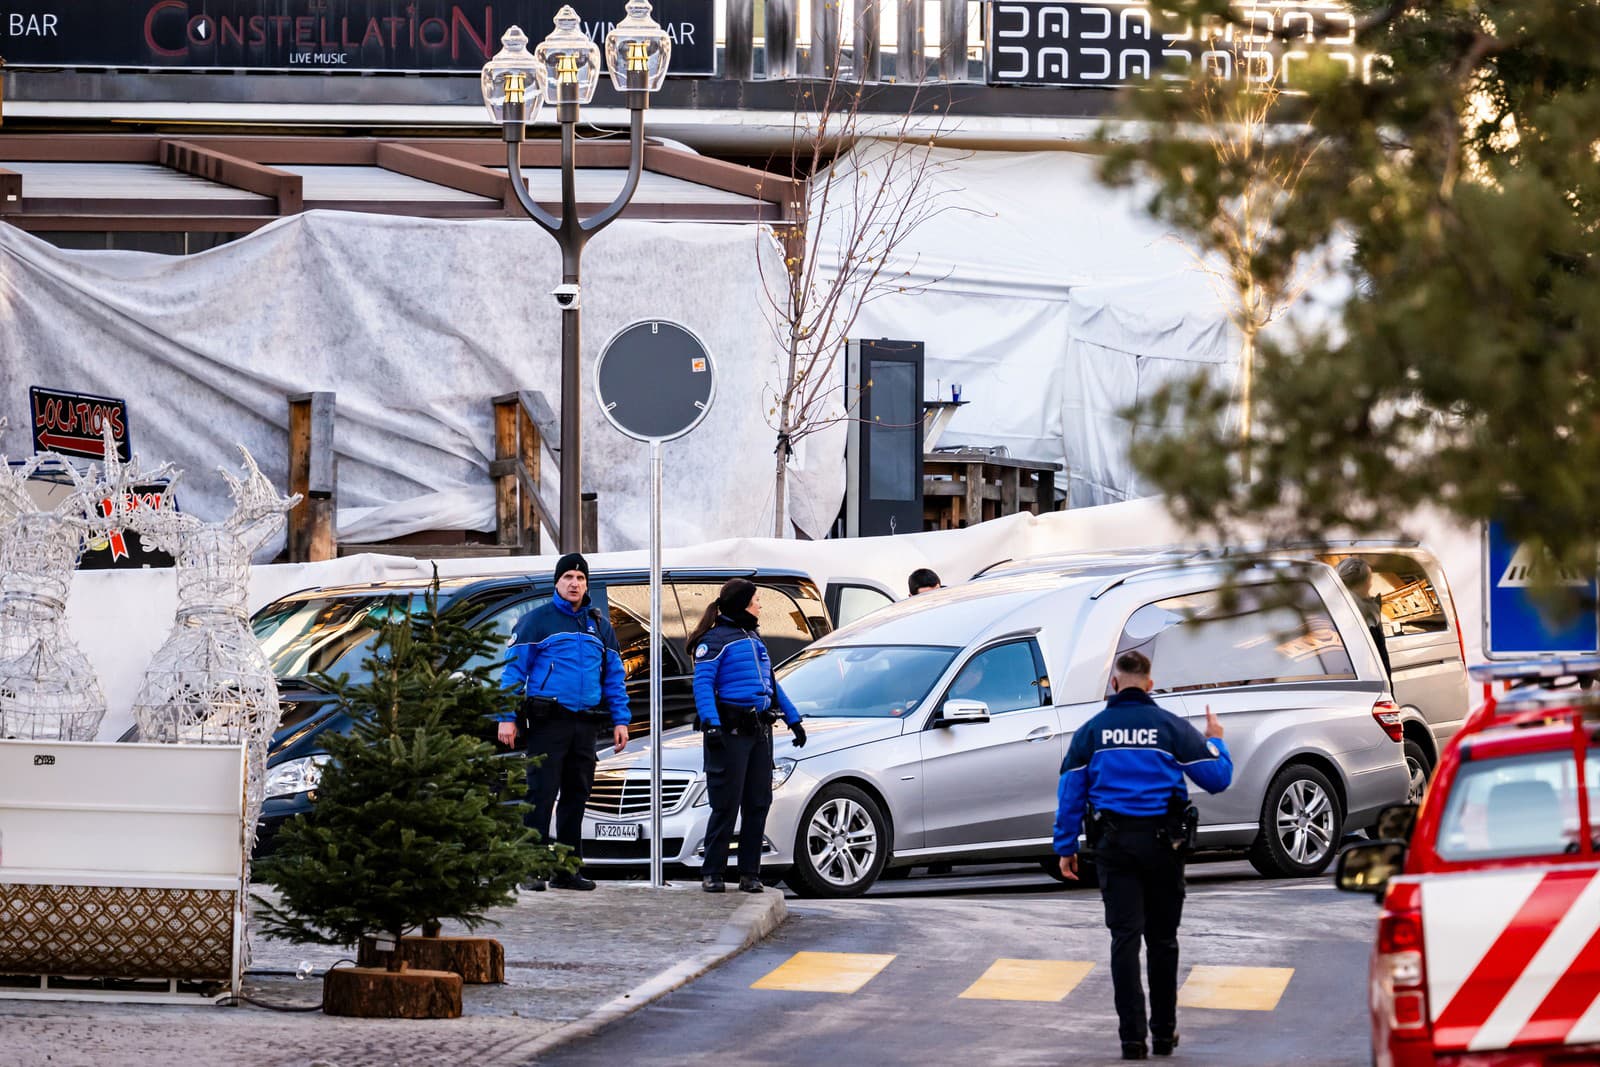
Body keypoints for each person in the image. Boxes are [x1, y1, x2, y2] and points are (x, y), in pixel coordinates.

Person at [1054, 650, 1233, 1061]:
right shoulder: (1171, 728)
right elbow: (1218, 779)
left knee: (1124, 941)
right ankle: (1165, 1035)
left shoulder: (1092, 732)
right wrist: (1217, 738)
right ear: (1150, 685)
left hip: (1114, 849)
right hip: (1163, 848)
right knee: (1163, 941)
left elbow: (1069, 794)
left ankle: (1131, 1040)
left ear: (1114, 684)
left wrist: (1065, 847)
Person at [497, 552, 630, 892]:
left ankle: (567, 870)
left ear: (587, 584)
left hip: (585, 723)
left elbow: (614, 675)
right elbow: (513, 672)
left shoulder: (599, 625)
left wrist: (621, 720)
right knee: (540, 794)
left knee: (577, 795)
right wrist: (506, 718)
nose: (575, 583)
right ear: (557, 582)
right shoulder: (537, 620)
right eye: (568, 577)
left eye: (581, 578)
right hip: (549, 721)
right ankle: (531, 867)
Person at [688, 578, 807, 893]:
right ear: (742, 603)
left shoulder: (753, 637)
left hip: (759, 732)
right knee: (725, 804)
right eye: (756, 600)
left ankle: (749, 874)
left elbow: (772, 683)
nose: (760, 605)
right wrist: (711, 724)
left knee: (757, 803)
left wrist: (794, 720)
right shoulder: (715, 641)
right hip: (729, 732)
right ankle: (712, 872)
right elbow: (702, 684)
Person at [1337, 556, 1393, 679]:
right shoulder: (1367, 612)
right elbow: (1378, 656)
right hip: (1369, 679)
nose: (1371, 583)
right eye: (1370, 579)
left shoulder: (1332, 607)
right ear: (1365, 583)